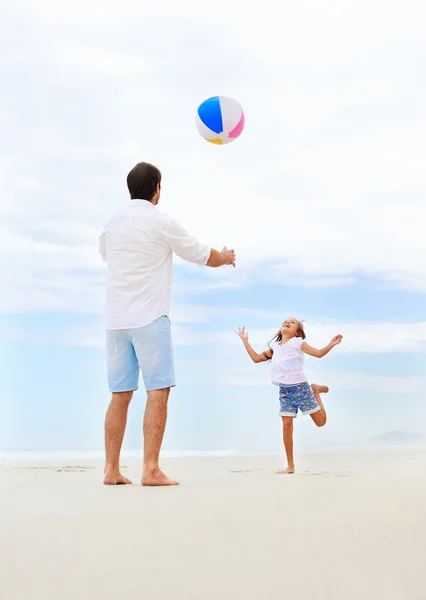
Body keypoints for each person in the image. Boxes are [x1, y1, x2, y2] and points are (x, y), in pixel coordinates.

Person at [99, 162, 236, 487]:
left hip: (115, 321)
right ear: (157, 189)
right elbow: (201, 253)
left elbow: (107, 255)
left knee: (120, 395)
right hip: (149, 318)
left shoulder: (111, 224)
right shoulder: (160, 221)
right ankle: (150, 469)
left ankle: (111, 470)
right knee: (158, 391)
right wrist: (226, 257)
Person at [236, 318, 342, 474]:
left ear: (297, 332)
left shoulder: (299, 343)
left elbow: (318, 354)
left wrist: (331, 344)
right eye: (285, 321)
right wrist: (245, 341)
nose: (287, 322)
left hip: (302, 389)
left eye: (292, 322)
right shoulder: (275, 348)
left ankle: (316, 391)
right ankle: (290, 466)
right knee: (287, 426)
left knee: (321, 422)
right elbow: (256, 358)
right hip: (285, 392)